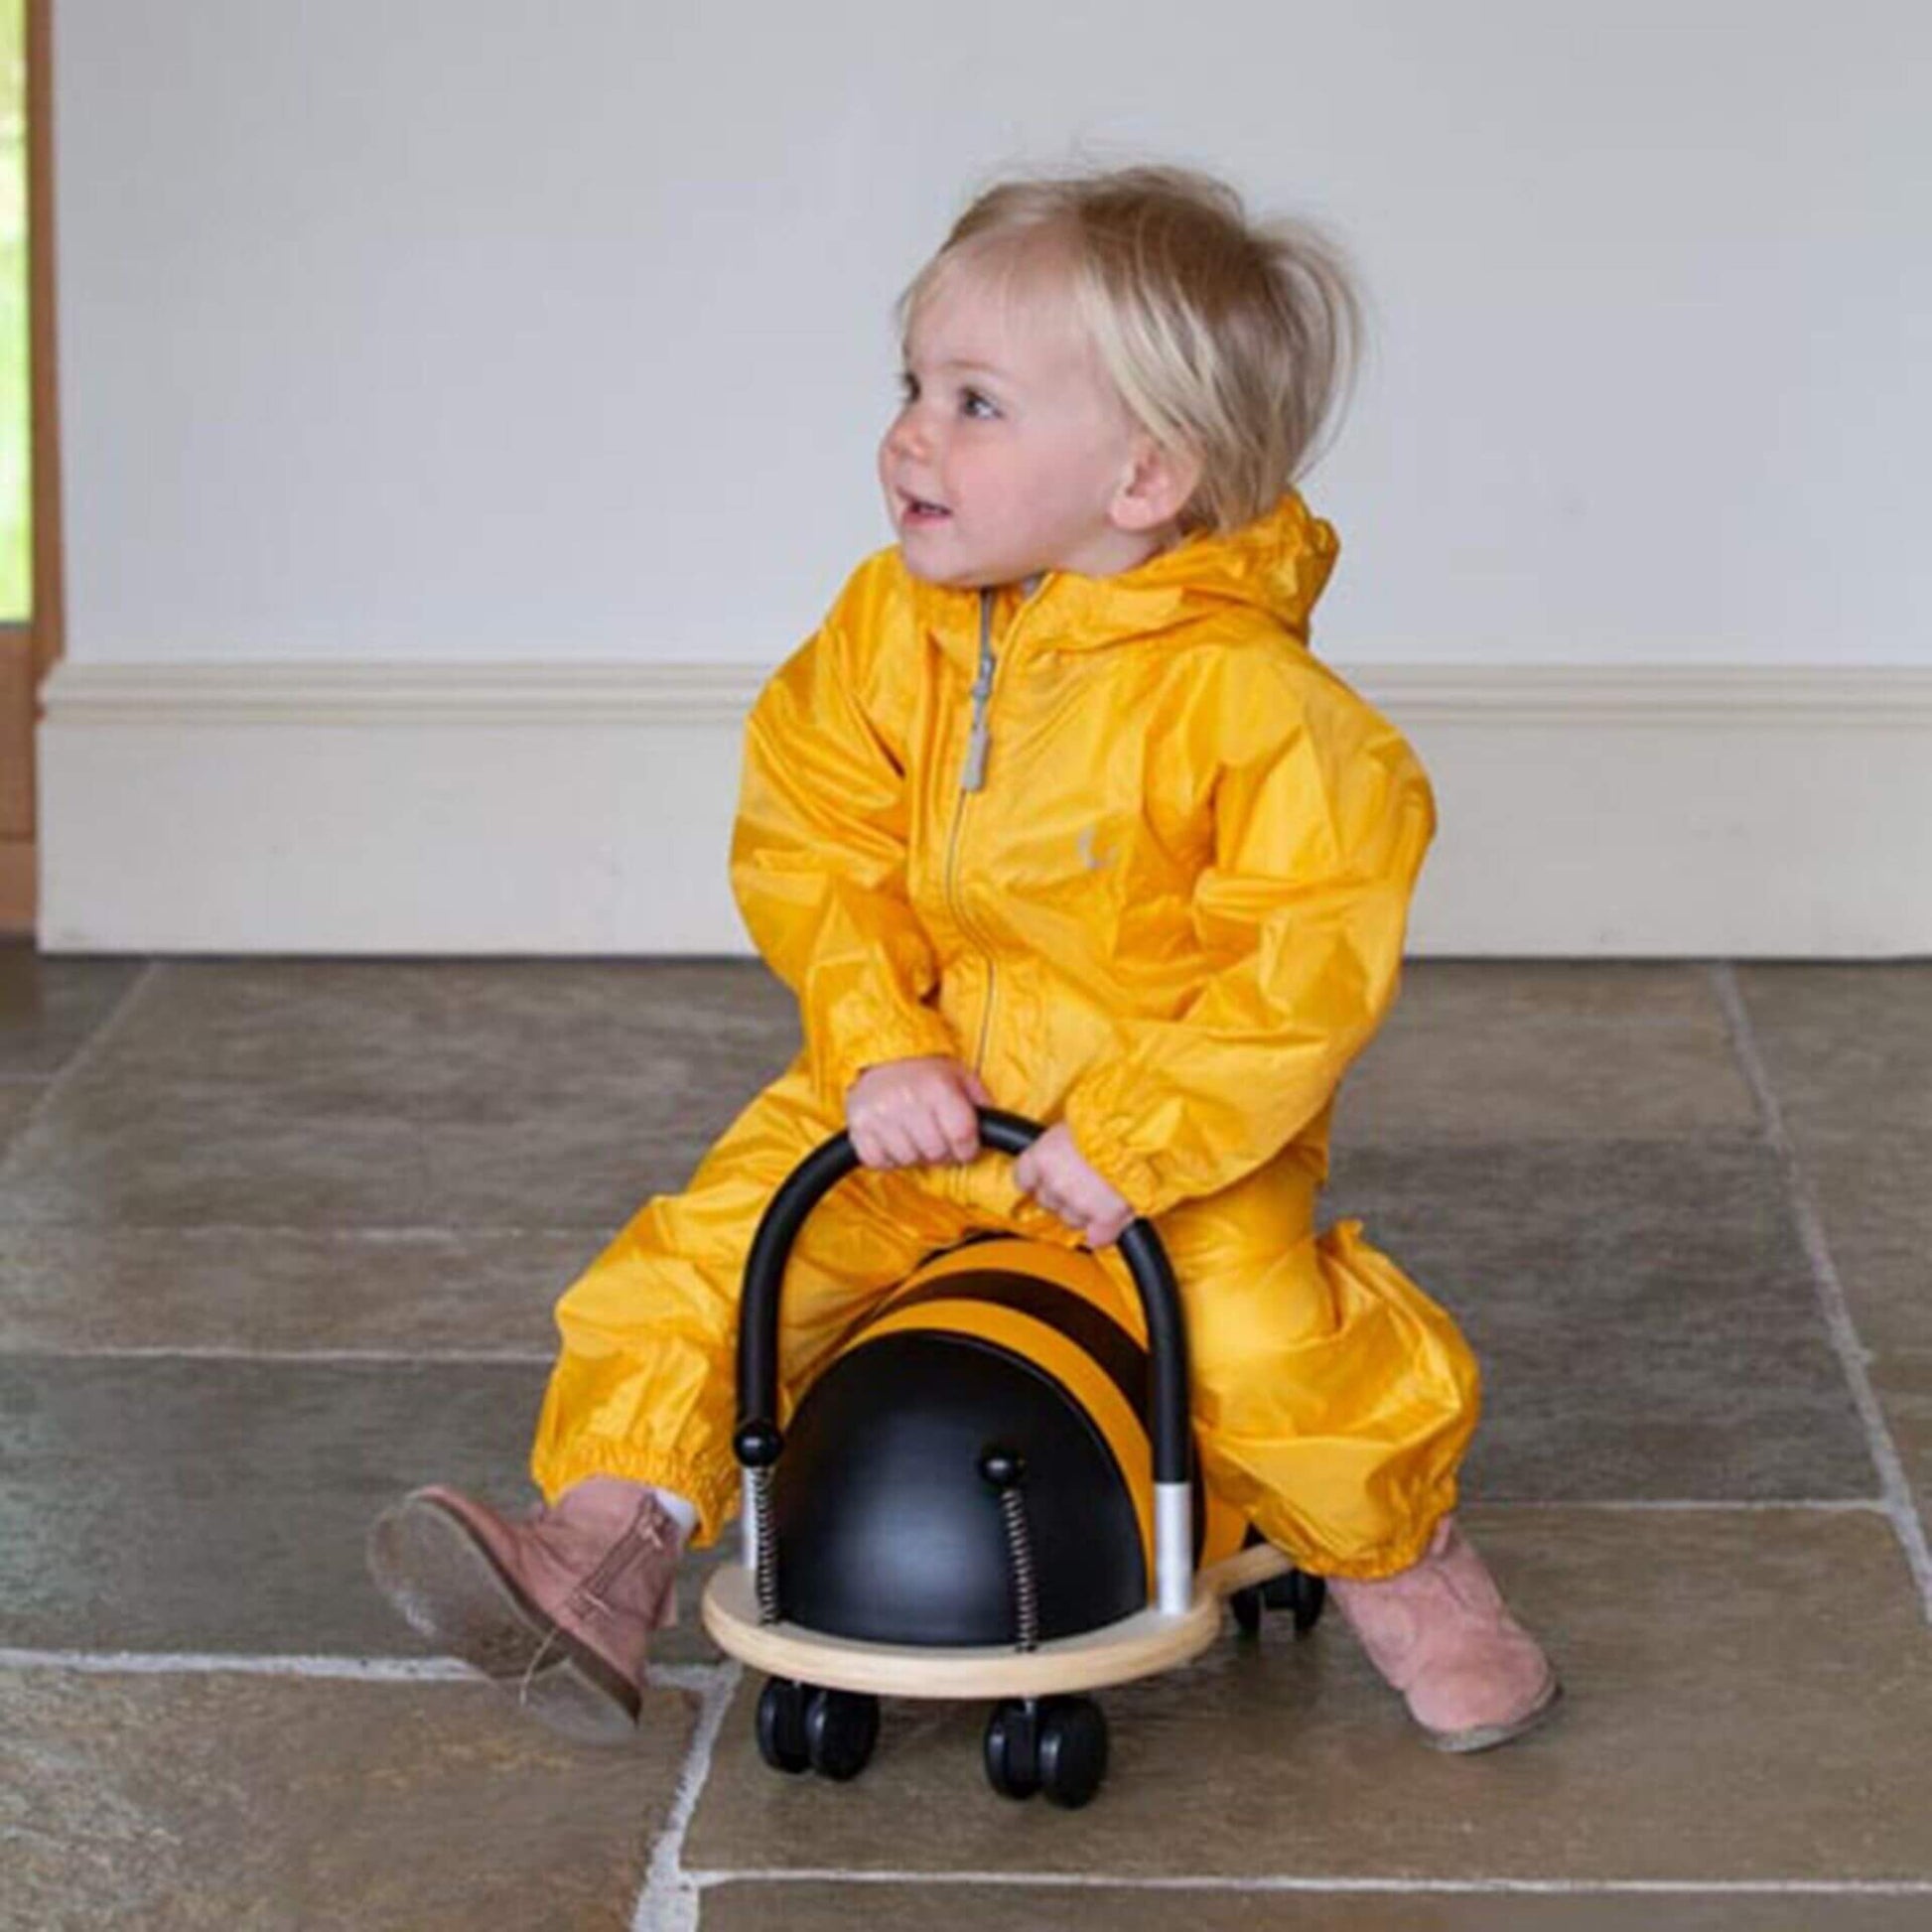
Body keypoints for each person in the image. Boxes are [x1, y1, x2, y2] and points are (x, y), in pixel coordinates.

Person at [368, 164, 1560, 1756]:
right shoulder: (886, 631)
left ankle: (1403, 1558)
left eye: (975, 402)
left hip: (1160, 1155)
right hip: (917, 1104)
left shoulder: (1265, 714)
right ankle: (601, 1543)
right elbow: (814, 841)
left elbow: (1299, 972)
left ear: (1143, 474)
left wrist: (1137, 1138)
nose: (909, 435)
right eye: (910, 388)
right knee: (711, 1255)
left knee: (1273, 1340)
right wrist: (874, 1045)